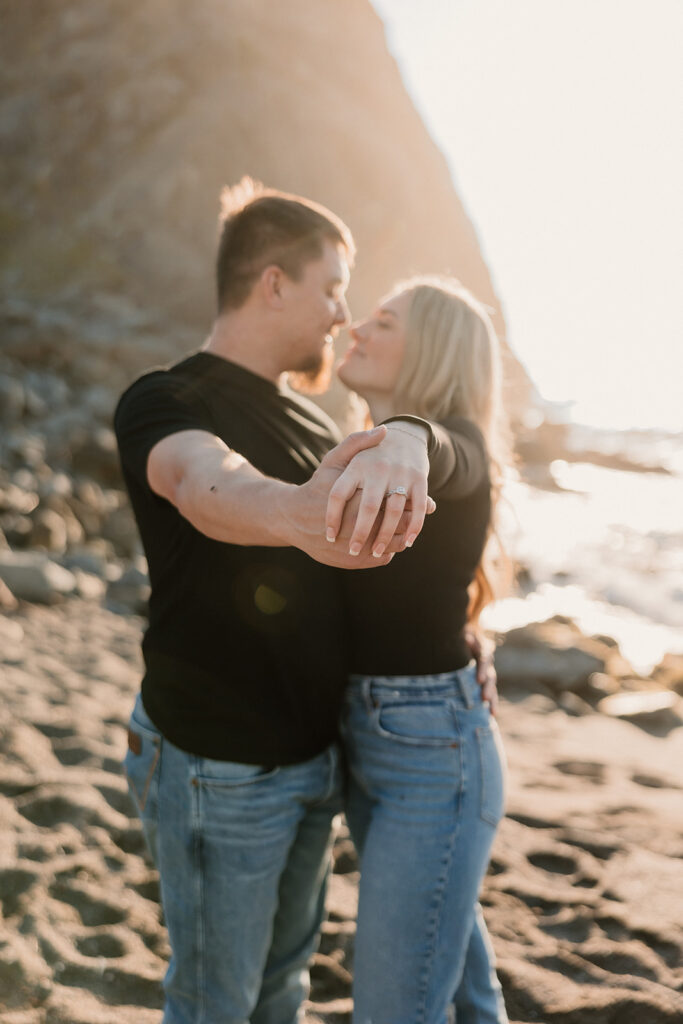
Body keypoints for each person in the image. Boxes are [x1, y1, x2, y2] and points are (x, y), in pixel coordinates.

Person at [114, 180, 468, 1024]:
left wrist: (464, 635)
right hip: (218, 769)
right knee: (213, 1003)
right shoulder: (166, 398)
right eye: (332, 289)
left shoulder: (315, 423)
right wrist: (296, 514)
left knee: (281, 990)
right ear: (272, 283)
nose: (342, 317)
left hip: (316, 764)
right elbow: (202, 481)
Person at [332, 277, 509, 1024]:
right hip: (372, 739)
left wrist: (408, 433)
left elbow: (449, 451)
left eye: (382, 321)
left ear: (431, 352)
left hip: (430, 755)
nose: (354, 328)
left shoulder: (448, 448)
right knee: (464, 992)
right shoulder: (359, 456)